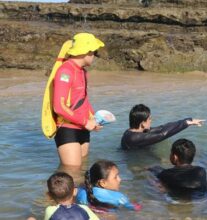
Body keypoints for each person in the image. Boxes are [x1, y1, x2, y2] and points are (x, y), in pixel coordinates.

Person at [53, 33, 104, 167]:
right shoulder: (65, 71)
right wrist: (85, 121)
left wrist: (94, 119)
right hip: (67, 128)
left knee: (82, 172)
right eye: (93, 52)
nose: (94, 55)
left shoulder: (81, 71)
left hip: (83, 128)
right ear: (85, 51)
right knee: (72, 173)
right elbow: (59, 106)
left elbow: (82, 99)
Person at [121, 104, 205, 149]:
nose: (151, 120)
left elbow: (161, 128)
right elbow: (162, 135)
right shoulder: (132, 138)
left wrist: (187, 120)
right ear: (142, 123)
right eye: (149, 119)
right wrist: (186, 124)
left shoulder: (137, 130)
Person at [76, 160, 142, 212]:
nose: (120, 179)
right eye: (115, 177)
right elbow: (135, 208)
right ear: (103, 183)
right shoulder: (119, 197)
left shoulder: (81, 191)